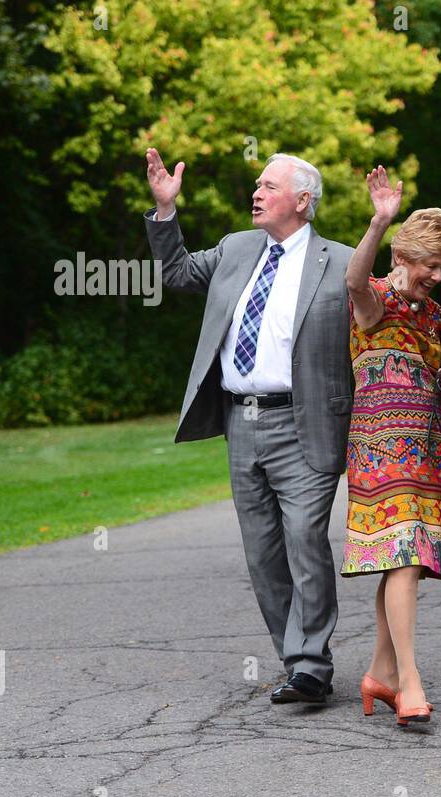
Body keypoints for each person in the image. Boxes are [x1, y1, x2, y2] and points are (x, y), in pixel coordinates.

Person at [143, 148, 355, 704]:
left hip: (306, 422)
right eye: (257, 185)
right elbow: (177, 272)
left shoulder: (343, 261)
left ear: (303, 202)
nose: (255, 193)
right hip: (242, 423)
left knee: (305, 538)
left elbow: (386, 323)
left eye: (268, 186)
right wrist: (165, 211)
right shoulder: (238, 248)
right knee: (262, 551)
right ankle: (297, 660)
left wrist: (438, 367)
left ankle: (312, 665)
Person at [342, 165, 441, 726]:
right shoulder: (375, 300)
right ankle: (409, 681)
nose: (437, 276)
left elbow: (421, 364)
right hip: (381, 448)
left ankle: (380, 673)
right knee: (405, 553)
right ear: (401, 259)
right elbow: (352, 281)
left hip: (426, 449)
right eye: (429, 266)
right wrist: (379, 222)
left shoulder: (431, 313)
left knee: (404, 564)